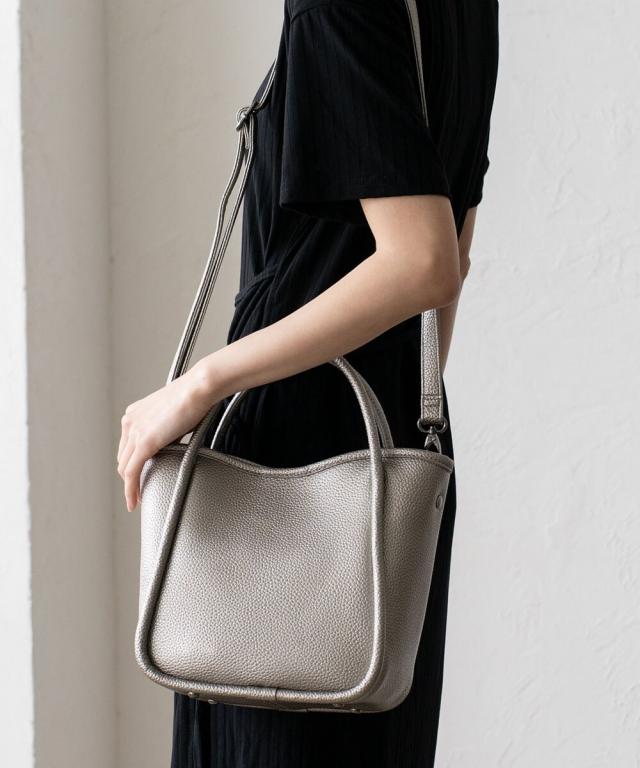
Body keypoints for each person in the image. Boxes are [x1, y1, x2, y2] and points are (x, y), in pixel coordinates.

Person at [117, 0, 499, 764]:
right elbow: (451, 247)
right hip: (384, 438)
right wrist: (408, 403)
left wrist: (199, 386)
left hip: (286, 440)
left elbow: (424, 262)